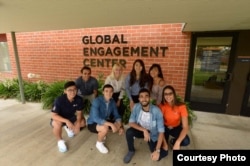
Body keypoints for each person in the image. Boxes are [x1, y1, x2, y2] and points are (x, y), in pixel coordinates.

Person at [123, 88, 168, 164]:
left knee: (158, 156)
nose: (144, 99)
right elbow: (131, 122)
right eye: (141, 96)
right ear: (139, 99)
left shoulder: (156, 111)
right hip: (141, 130)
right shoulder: (136, 107)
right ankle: (131, 150)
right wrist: (144, 130)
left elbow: (161, 131)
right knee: (129, 132)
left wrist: (157, 150)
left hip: (153, 134)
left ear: (150, 98)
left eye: (146, 96)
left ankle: (157, 148)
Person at [87, 84, 124, 154]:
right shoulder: (97, 101)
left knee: (118, 124)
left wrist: (120, 125)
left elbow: (117, 115)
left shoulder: (112, 102)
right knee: (105, 128)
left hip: (104, 120)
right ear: (103, 92)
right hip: (92, 123)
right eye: (106, 91)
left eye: (111, 91)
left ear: (113, 93)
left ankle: (103, 134)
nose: (108, 93)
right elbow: (95, 118)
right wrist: (111, 125)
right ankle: (99, 143)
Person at [50, 81, 86, 153]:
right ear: (65, 91)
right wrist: (67, 121)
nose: (73, 92)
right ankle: (60, 141)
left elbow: (79, 113)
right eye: (70, 90)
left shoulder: (79, 99)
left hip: (71, 117)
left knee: (83, 123)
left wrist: (78, 123)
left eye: (75, 89)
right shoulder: (59, 100)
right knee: (57, 124)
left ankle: (68, 127)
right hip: (60, 118)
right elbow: (53, 115)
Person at [159, 85, 190, 150]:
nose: (168, 96)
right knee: (163, 147)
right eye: (166, 94)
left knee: (186, 141)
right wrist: (164, 142)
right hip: (164, 127)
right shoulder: (162, 106)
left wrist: (177, 142)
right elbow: (159, 124)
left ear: (174, 94)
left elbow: (185, 127)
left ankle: (173, 141)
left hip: (176, 127)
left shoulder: (181, 106)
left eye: (170, 93)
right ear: (163, 96)